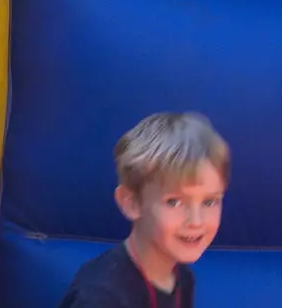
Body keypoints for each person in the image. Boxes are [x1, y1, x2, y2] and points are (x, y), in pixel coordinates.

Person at [58, 112, 230, 308]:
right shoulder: (100, 296)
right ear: (131, 203)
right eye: (174, 202)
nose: (196, 221)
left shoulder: (182, 276)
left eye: (209, 202)